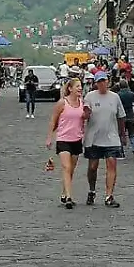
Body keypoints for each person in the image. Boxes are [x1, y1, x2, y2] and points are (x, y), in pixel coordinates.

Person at [82, 72, 126, 208]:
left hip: (111, 138)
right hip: (94, 138)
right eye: (99, 81)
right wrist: (85, 113)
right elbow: (84, 114)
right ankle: (92, 190)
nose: (102, 84)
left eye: (104, 81)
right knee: (93, 167)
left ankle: (109, 196)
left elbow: (121, 116)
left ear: (108, 81)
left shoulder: (115, 97)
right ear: (96, 83)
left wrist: (122, 134)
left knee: (111, 165)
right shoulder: (90, 96)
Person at [46, 78, 88, 209]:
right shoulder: (62, 103)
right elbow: (53, 121)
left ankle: (64, 192)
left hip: (77, 139)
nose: (80, 89)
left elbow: (85, 119)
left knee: (71, 169)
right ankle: (69, 197)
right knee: (66, 167)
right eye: (77, 86)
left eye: (81, 86)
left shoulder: (83, 103)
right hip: (63, 139)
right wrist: (49, 138)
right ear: (70, 89)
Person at [117, 80, 134, 157]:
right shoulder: (131, 94)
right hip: (130, 115)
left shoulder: (118, 95)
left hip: (121, 116)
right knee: (132, 134)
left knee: (121, 133)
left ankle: (121, 151)